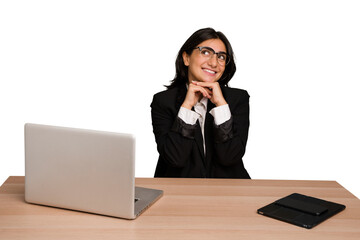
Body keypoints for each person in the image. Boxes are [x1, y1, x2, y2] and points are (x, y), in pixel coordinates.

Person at [150, 28, 250, 178]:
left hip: (229, 190)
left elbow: (230, 157)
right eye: (205, 52)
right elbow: (175, 158)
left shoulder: (238, 99)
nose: (214, 62)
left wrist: (221, 106)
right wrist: (187, 107)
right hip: (179, 191)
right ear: (186, 58)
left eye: (221, 57)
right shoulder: (163, 102)